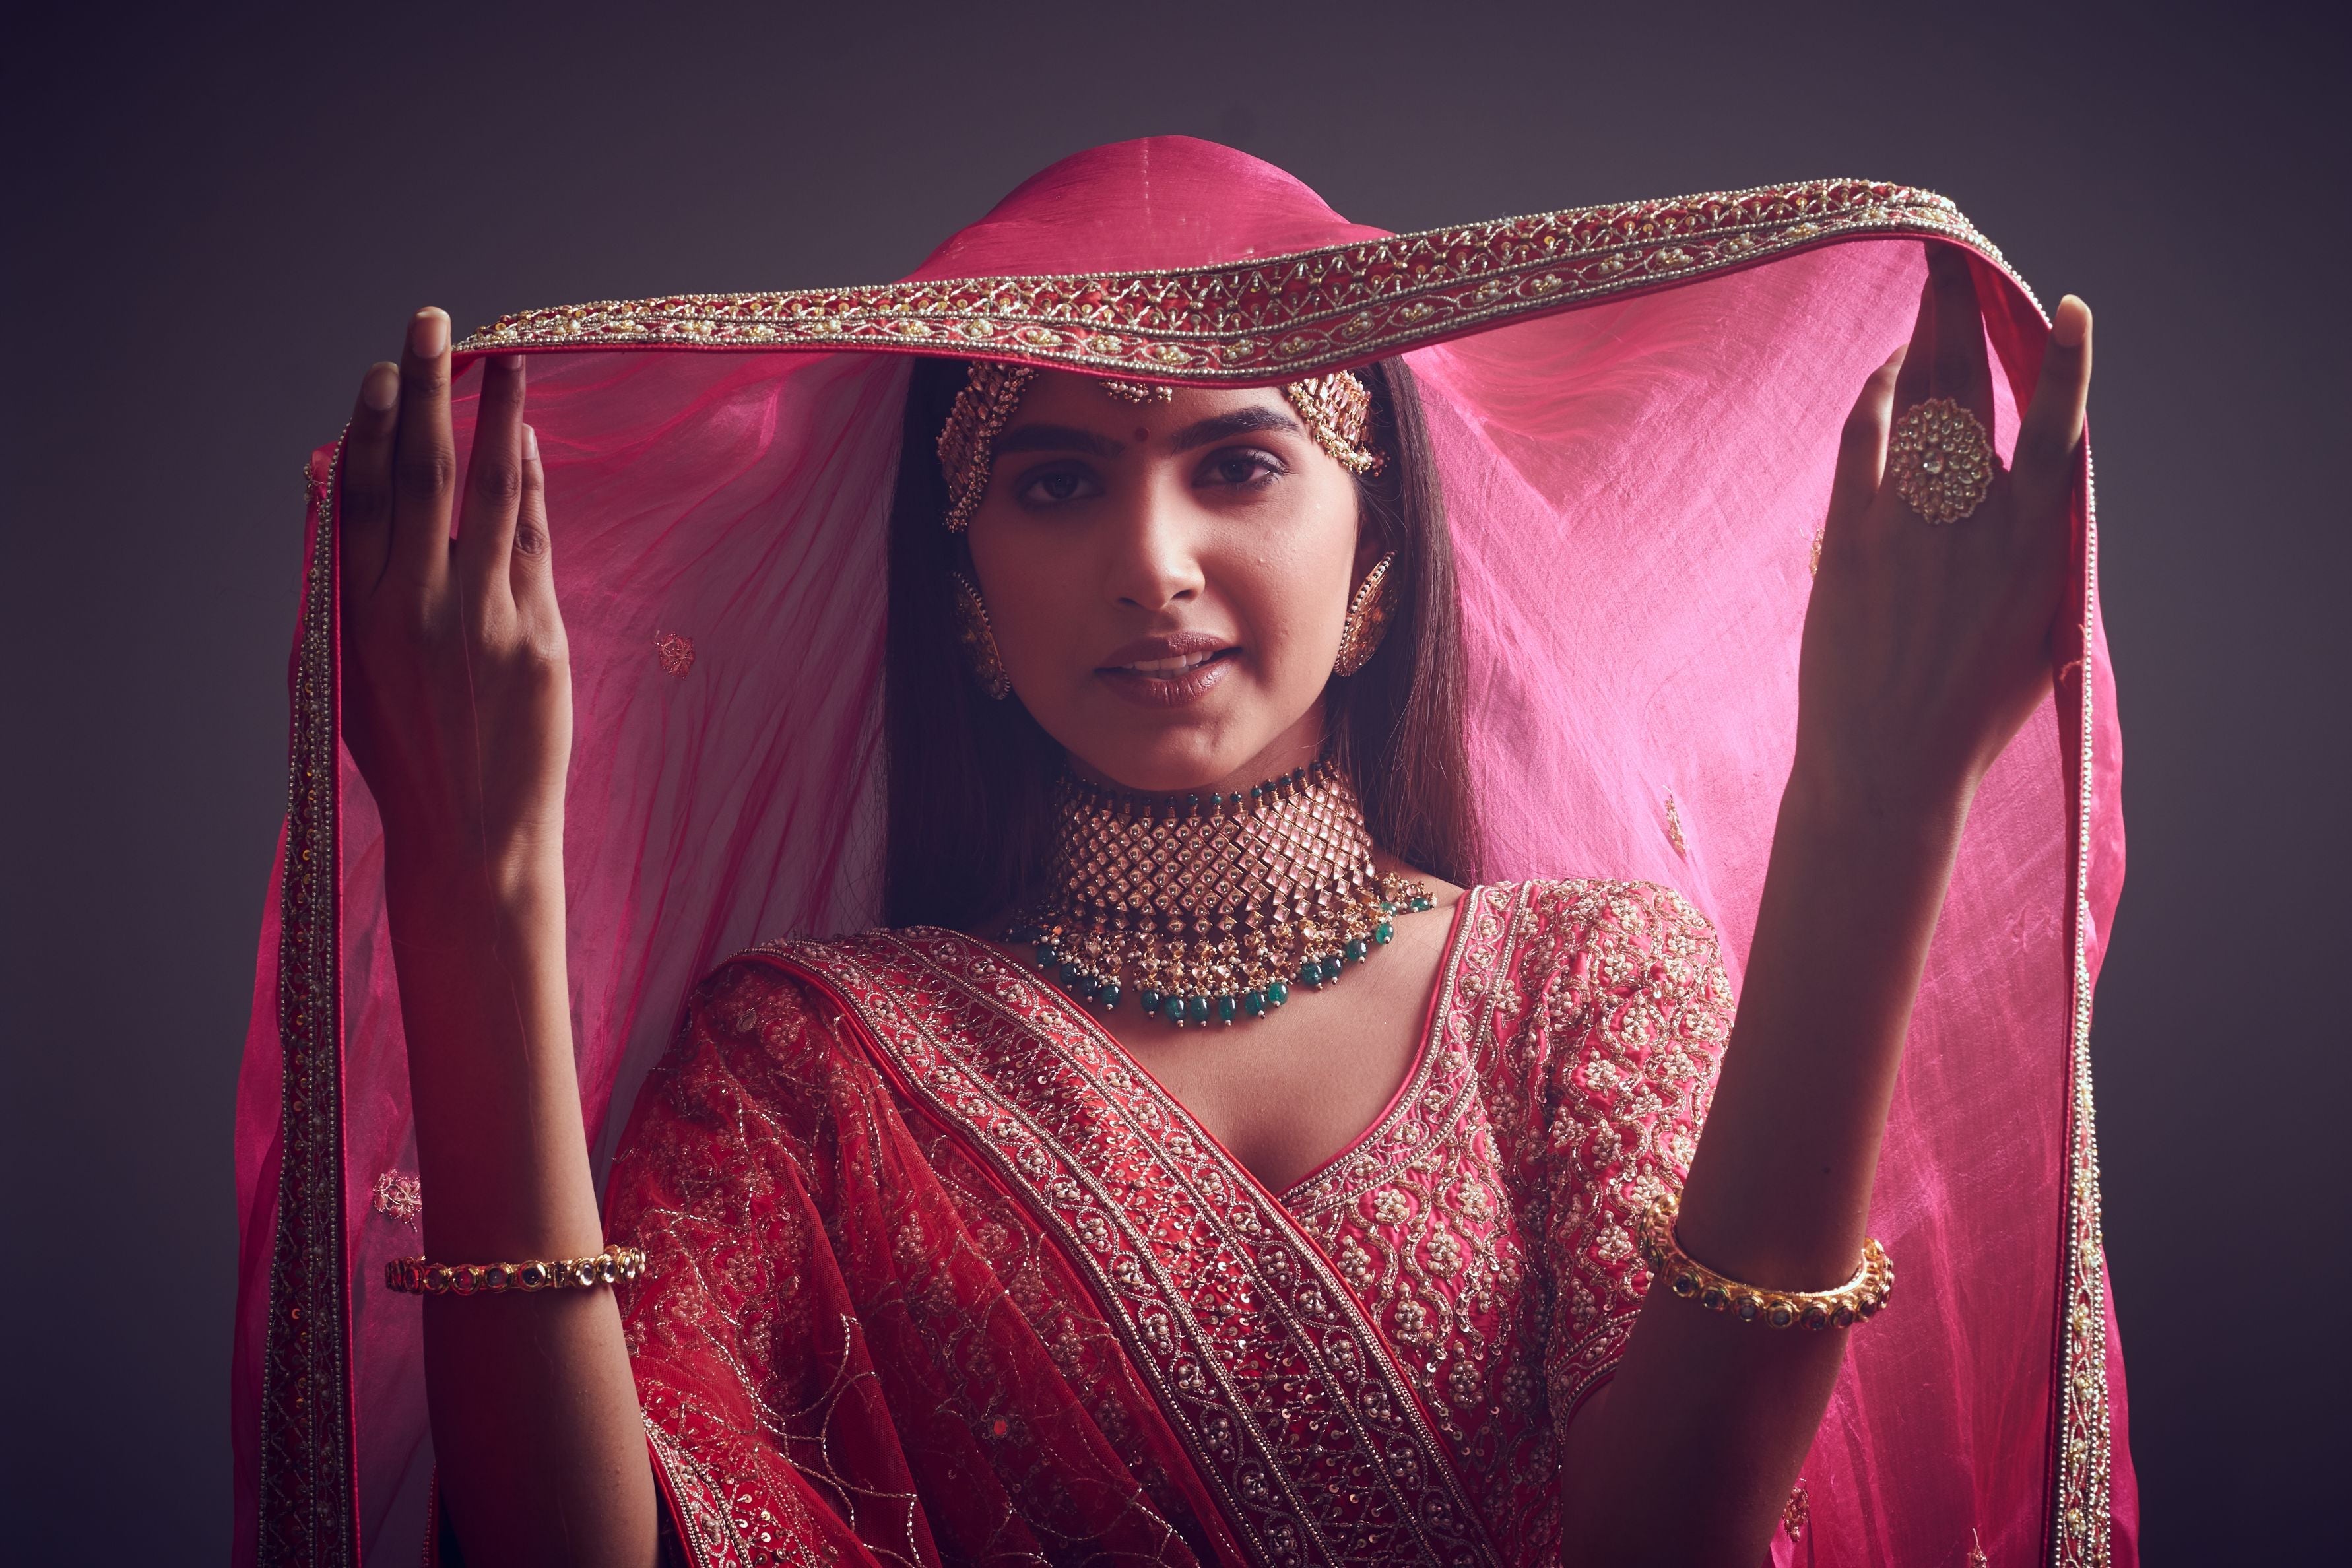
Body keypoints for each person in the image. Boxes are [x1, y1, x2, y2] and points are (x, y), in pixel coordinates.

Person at [232, 139, 2133, 1567]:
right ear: (966, 588)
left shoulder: (1579, 985)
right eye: (1054, 481)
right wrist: (472, 883)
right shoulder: (811, 1061)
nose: (1150, 563)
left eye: (1235, 465)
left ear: (1372, 555)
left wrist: (1872, 817)